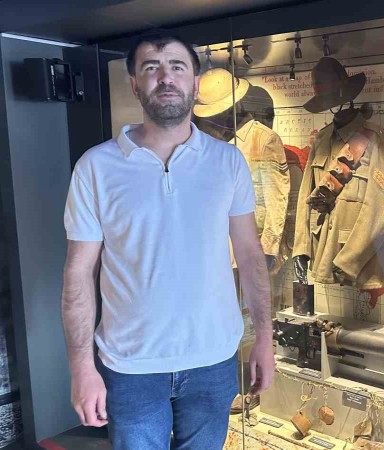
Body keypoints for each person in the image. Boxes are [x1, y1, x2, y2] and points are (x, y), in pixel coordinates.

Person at [61, 32, 274, 449]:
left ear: (195, 82)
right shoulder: (96, 167)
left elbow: (250, 256)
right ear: (134, 84)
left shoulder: (228, 162)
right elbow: (78, 273)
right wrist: (81, 367)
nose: (165, 77)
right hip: (131, 364)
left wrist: (265, 339)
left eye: (177, 66)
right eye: (151, 67)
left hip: (213, 358)